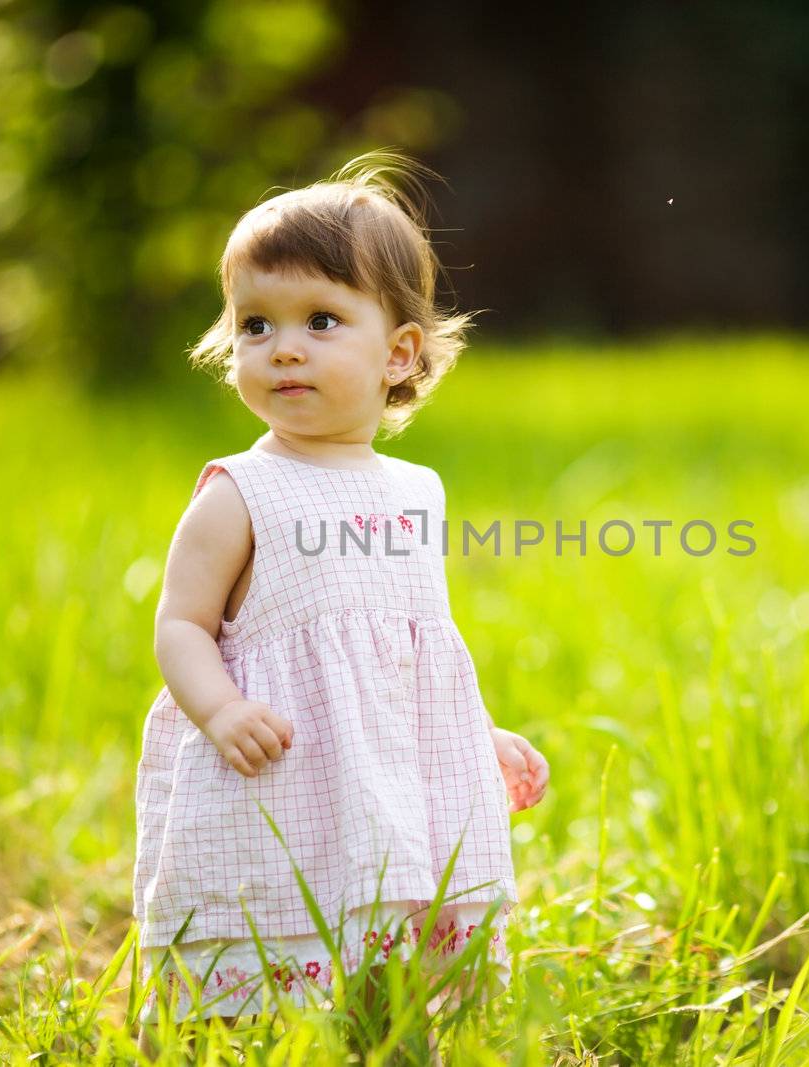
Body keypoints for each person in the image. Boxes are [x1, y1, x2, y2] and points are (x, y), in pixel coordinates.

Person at [131, 150, 549, 1055]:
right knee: (265, 927)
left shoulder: (416, 490)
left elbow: (414, 644)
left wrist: (473, 732)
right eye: (255, 324)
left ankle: (393, 1041)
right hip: (277, 763)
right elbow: (181, 622)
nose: (283, 346)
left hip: (389, 769)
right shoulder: (241, 490)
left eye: (320, 319)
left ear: (398, 351)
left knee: (390, 916)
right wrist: (221, 706)